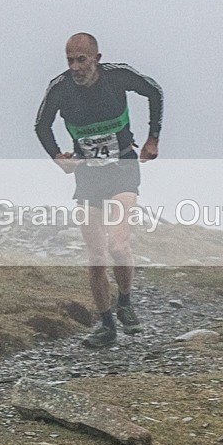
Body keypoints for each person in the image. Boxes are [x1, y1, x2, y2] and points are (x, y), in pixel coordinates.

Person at [35, 33, 163, 348]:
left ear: (97, 58)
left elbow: (154, 92)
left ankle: (125, 302)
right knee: (95, 257)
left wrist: (153, 138)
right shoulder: (60, 88)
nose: (76, 67)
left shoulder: (117, 76)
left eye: (82, 60)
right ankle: (106, 325)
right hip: (88, 176)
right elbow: (41, 125)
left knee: (118, 246)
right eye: (70, 60)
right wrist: (57, 158)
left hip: (122, 168)